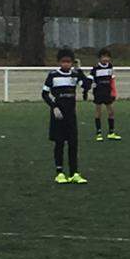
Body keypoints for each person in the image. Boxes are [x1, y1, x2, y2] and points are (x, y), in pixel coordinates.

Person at [41, 47, 91, 184]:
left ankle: (74, 172)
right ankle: (59, 172)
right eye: (63, 61)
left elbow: (86, 86)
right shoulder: (52, 76)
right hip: (58, 115)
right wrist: (54, 107)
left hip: (71, 115)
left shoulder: (75, 75)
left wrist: (84, 75)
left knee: (73, 143)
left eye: (69, 62)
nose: (66, 64)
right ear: (59, 62)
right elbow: (44, 94)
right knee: (59, 143)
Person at [89, 48, 120, 141]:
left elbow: (111, 80)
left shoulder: (110, 67)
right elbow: (90, 79)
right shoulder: (95, 69)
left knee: (111, 112)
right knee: (98, 112)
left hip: (108, 93)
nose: (105, 59)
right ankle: (98, 133)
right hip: (98, 93)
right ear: (100, 58)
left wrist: (114, 91)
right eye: (103, 57)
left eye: (107, 57)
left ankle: (111, 132)